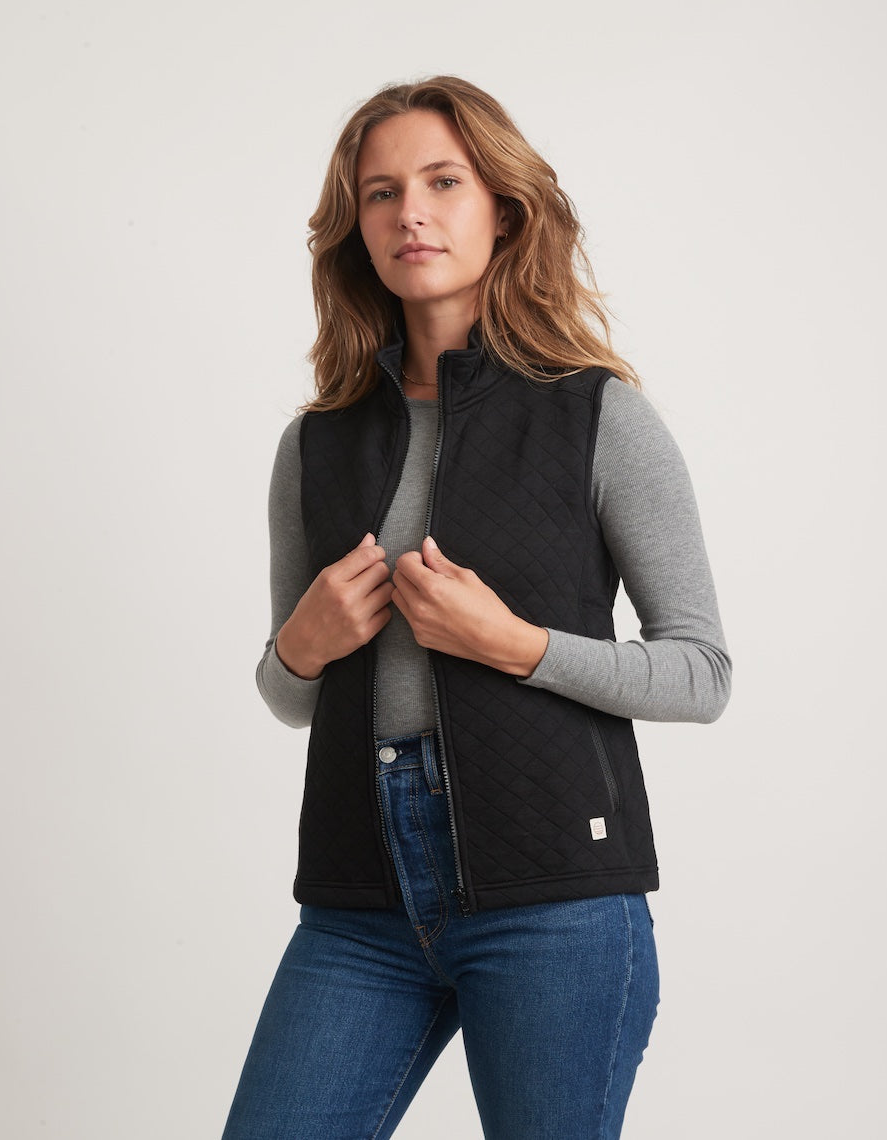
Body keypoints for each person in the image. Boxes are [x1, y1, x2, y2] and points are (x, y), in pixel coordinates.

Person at [222, 75, 731, 1140]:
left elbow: (700, 672)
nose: (410, 212)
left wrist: (517, 646)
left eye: (442, 182)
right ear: (356, 228)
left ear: (503, 208)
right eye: (381, 192)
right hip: (359, 906)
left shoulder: (597, 416)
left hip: (556, 904)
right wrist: (300, 648)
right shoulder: (315, 444)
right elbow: (294, 693)